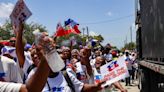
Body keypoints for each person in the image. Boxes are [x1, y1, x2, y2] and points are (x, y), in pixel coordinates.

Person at [0, 22, 50, 92]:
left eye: (38, 53)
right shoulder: (30, 67)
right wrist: (19, 34)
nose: (35, 56)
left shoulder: (62, 72)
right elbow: (19, 52)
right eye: (32, 55)